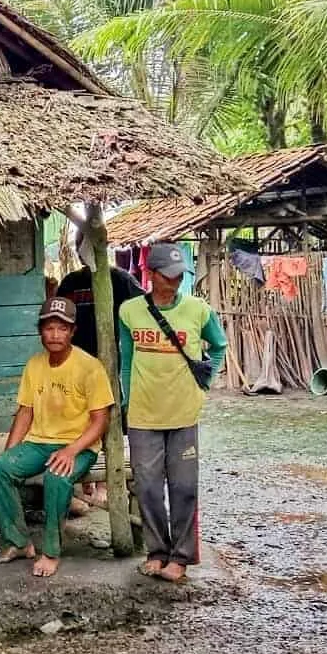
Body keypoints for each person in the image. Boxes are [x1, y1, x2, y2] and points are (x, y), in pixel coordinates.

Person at [0, 297, 114, 578]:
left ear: (72, 331)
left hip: (80, 445)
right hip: (39, 443)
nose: (54, 335)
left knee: (56, 476)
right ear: (40, 331)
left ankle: (51, 551)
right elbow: (25, 413)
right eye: (49, 328)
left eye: (62, 328)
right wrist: (7, 453)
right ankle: (19, 542)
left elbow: (101, 421)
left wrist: (71, 451)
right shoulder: (34, 365)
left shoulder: (90, 367)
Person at [119, 243, 227, 584]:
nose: (175, 282)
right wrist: (126, 396)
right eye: (168, 276)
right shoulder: (130, 311)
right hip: (143, 414)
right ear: (151, 275)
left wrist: (205, 383)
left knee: (183, 486)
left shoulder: (198, 310)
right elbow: (126, 359)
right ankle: (156, 551)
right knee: (148, 486)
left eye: (180, 276)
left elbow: (219, 344)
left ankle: (181, 556)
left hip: (184, 413)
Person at [56, 234, 144, 506]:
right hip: (76, 365)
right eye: (82, 248)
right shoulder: (72, 282)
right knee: (77, 420)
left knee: (108, 420)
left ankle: (108, 479)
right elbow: (58, 320)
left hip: (110, 365)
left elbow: (143, 311)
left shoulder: (121, 280)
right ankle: (87, 483)